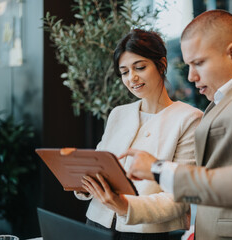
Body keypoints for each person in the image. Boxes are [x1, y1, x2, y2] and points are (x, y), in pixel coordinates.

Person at [122, 10, 232, 240]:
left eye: (198, 63)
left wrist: (159, 170)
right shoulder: (227, 100)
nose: (191, 76)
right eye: (188, 65)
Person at [75, 29, 203, 240]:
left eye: (140, 67)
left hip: (147, 233)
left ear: (161, 64)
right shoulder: (118, 114)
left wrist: (126, 207)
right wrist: (83, 181)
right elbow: (98, 164)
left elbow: (180, 196)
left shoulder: (189, 119)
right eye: (124, 72)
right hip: (96, 224)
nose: (132, 78)